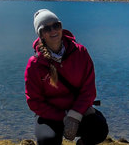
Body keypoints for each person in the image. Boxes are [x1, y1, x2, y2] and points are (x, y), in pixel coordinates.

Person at [25, 9, 108, 145]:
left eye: (56, 25)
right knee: (47, 140)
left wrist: (74, 116)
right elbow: (34, 101)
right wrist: (63, 116)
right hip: (50, 116)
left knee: (99, 128)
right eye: (47, 28)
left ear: (61, 27)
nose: (53, 31)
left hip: (78, 111)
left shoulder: (80, 52)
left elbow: (88, 90)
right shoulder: (35, 64)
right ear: (41, 34)